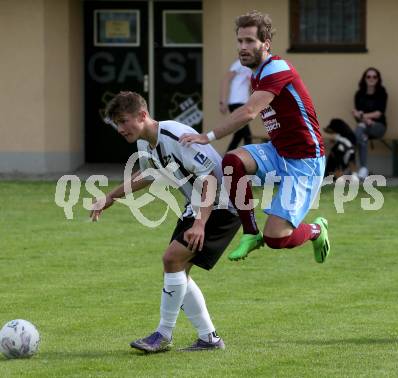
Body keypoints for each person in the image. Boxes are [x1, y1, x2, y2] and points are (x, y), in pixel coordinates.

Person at [90, 91, 241, 353]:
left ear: (143, 115)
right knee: (175, 269)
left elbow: (211, 178)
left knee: (172, 260)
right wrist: (111, 196)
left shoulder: (175, 136)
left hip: (223, 204)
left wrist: (200, 223)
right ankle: (208, 338)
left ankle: (163, 334)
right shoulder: (145, 142)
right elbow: (148, 174)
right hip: (199, 206)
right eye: (117, 124)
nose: (120, 129)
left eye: (124, 121)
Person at [180, 11, 330, 263]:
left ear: (266, 44)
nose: (243, 47)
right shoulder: (255, 75)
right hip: (277, 150)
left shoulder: (278, 68)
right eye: (240, 41)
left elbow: (249, 112)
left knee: (277, 239)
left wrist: (208, 136)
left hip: (304, 160)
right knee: (233, 162)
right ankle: (250, 233)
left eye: (250, 41)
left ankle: (317, 230)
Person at [352, 67, 388, 178]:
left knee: (359, 130)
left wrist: (362, 116)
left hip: (379, 126)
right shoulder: (359, 94)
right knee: (361, 134)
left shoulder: (382, 93)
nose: (371, 78)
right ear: (364, 78)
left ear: (378, 79)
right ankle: (363, 168)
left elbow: (379, 113)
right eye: (368, 76)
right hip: (363, 126)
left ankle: (355, 169)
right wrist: (364, 119)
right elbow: (357, 116)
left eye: (374, 76)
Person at [220, 59, 253, 150]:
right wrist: (223, 101)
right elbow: (226, 80)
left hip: (244, 104)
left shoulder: (251, 68)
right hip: (235, 102)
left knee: (239, 135)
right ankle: (251, 160)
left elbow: (251, 88)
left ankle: (226, 159)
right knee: (247, 135)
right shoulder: (238, 64)